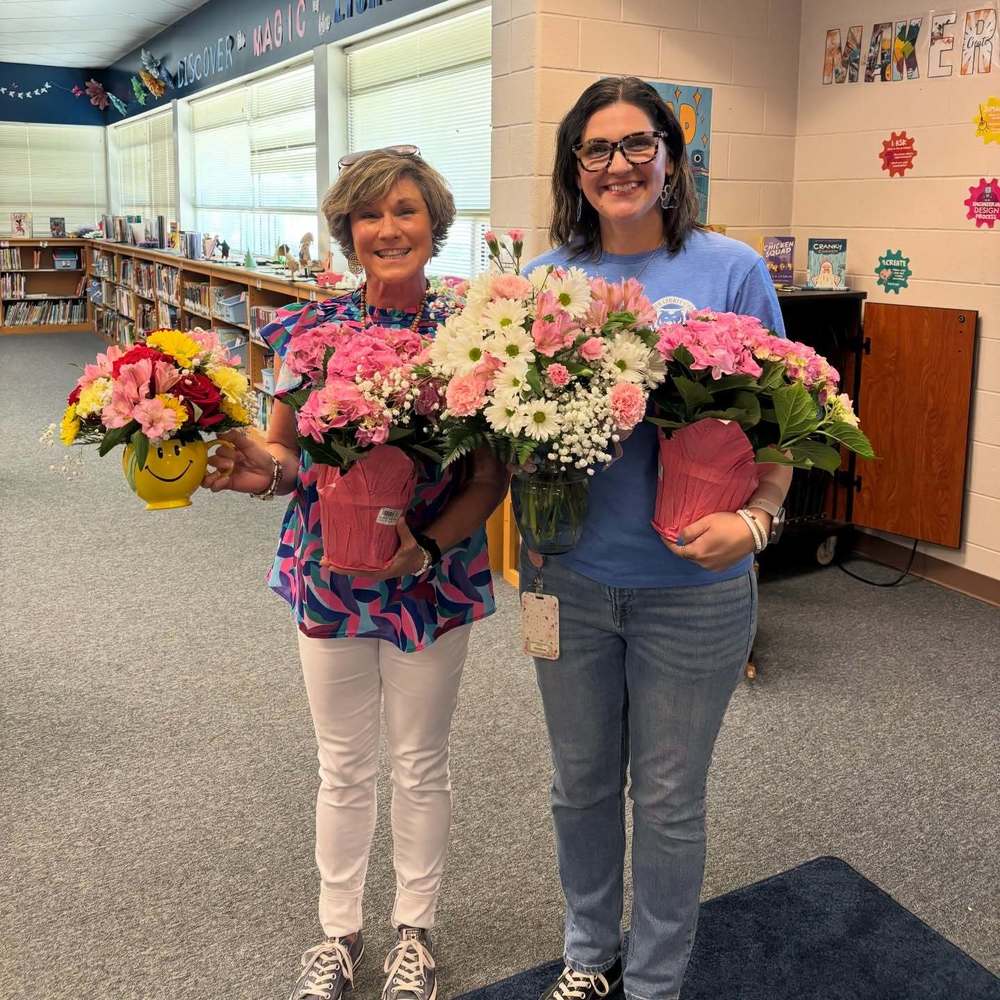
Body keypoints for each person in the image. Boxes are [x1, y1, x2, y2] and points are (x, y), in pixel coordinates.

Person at [202, 148, 508, 1000]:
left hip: (430, 576)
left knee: (420, 761)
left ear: (434, 225)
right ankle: (337, 937)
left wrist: (430, 545)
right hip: (327, 574)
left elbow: (489, 477)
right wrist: (249, 469)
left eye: (407, 211)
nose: (389, 229)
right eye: (370, 215)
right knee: (343, 765)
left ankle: (416, 934)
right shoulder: (307, 333)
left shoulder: (472, 339)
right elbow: (288, 460)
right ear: (347, 231)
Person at [522, 77, 793, 1000]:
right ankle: (589, 955)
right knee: (578, 784)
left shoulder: (731, 270)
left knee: (670, 802)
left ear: (673, 158)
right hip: (561, 582)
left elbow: (788, 422)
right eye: (595, 149)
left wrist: (759, 521)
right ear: (575, 167)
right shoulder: (544, 279)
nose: (618, 165)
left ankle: (656, 978)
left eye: (639, 144)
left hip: (695, 593)